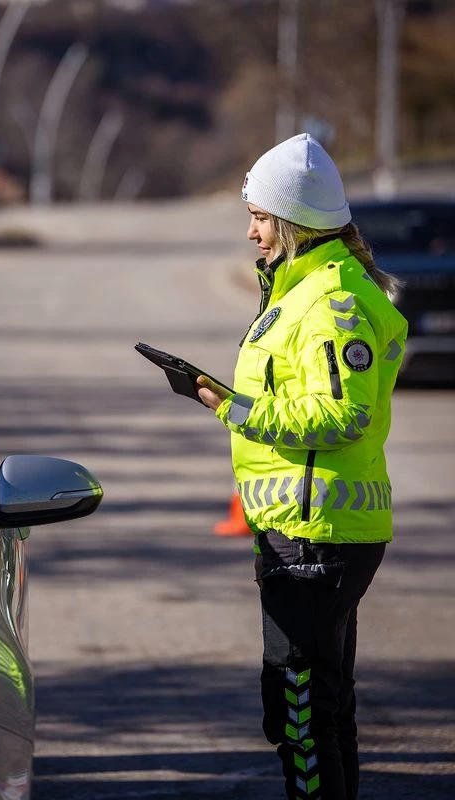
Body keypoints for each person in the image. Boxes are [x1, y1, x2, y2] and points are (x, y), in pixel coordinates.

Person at [196, 133, 408, 800]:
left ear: (293, 221)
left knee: (302, 716)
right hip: (310, 527)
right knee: (323, 706)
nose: (252, 232)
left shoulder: (330, 302)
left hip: (317, 533)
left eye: (261, 217)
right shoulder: (307, 288)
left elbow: (345, 415)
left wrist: (237, 410)